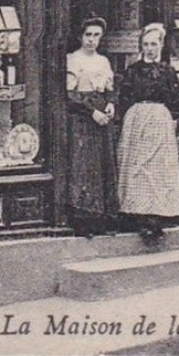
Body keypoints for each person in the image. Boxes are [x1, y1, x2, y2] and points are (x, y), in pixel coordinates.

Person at [115, 22, 179, 243]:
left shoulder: (168, 71)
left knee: (157, 169)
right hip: (137, 120)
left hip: (159, 120)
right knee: (138, 167)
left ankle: (157, 218)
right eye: (146, 44)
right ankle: (138, 215)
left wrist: (172, 120)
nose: (149, 48)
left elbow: (177, 100)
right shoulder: (133, 70)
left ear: (161, 45)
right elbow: (124, 96)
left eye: (153, 44)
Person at [65, 16, 118, 237]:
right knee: (84, 166)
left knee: (102, 164)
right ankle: (83, 220)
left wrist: (111, 104)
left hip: (101, 117)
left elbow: (109, 88)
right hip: (83, 117)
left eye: (96, 35)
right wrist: (91, 112)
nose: (92, 40)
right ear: (81, 36)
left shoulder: (103, 61)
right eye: (88, 35)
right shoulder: (72, 59)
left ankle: (102, 220)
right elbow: (69, 94)